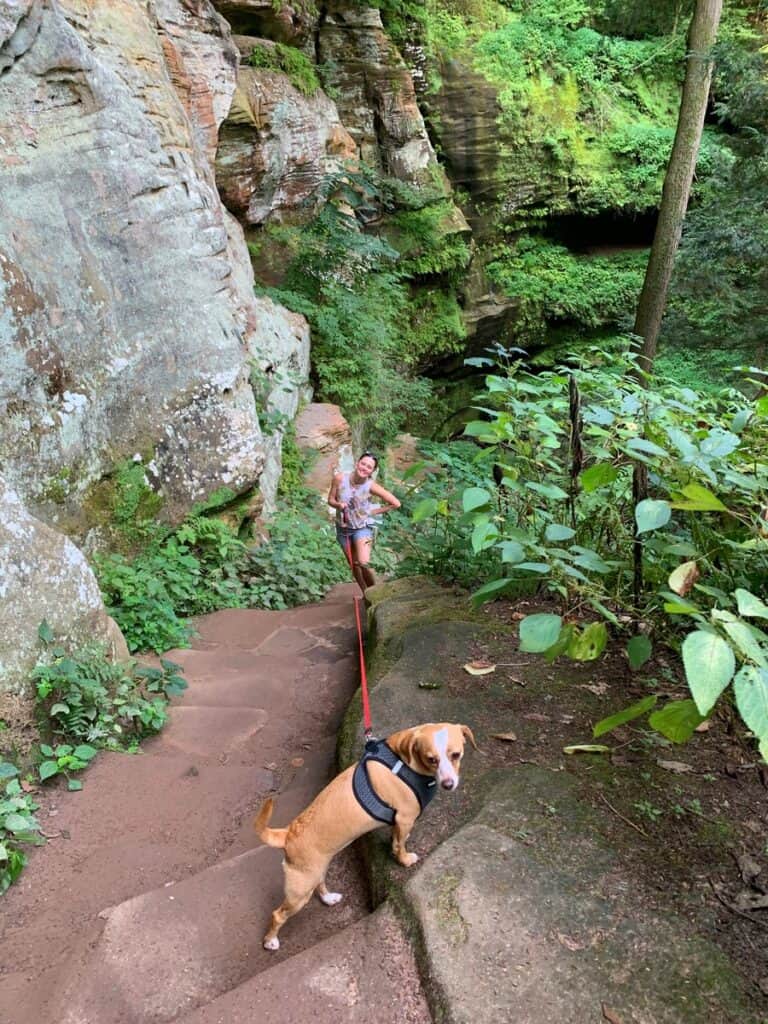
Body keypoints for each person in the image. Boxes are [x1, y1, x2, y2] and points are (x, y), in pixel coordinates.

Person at [328, 451, 401, 592]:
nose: (364, 468)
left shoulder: (371, 486)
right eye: (363, 464)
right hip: (343, 529)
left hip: (362, 528)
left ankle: (375, 594)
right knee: (354, 564)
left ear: (372, 471)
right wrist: (338, 505)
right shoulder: (339, 478)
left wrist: (371, 512)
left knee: (363, 562)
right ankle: (365, 594)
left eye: (369, 467)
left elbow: (395, 503)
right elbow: (330, 500)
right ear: (357, 463)